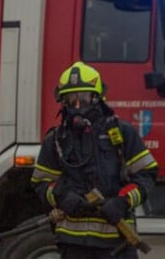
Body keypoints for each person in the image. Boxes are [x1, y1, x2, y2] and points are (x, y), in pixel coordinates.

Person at [31, 62, 158, 258]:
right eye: (71, 98)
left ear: (97, 97)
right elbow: (41, 182)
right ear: (63, 100)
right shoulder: (56, 139)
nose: (78, 105)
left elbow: (146, 174)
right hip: (73, 243)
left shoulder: (121, 133)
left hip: (117, 241)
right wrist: (62, 197)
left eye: (84, 97)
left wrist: (122, 202)